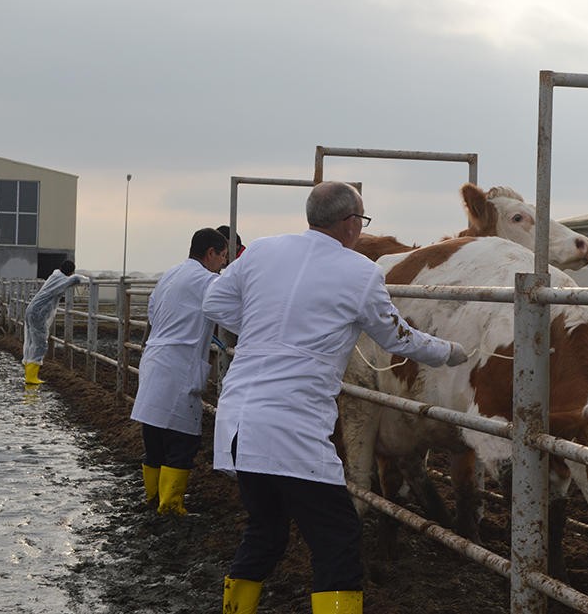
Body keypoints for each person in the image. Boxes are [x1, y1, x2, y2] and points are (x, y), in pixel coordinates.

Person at [202, 181, 468, 614]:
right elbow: (397, 338)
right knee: (339, 538)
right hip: (295, 427)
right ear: (349, 225)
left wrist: (262, 328)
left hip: (239, 419)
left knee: (266, 532)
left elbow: (214, 302)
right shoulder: (360, 272)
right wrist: (451, 352)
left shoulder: (264, 251)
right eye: (360, 222)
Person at [129, 228, 228, 515]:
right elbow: (231, 312)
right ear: (210, 253)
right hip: (177, 366)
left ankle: (153, 498)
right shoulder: (207, 281)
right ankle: (170, 505)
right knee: (182, 441)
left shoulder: (170, 274)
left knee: (155, 437)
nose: (223, 263)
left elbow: (152, 312)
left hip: (155, 360)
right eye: (222, 256)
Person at [22, 260, 87, 385]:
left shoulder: (55, 276)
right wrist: (87, 279)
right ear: (70, 271)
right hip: (38, 313)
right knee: (39, 343)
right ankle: (31, 377)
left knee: (32, 341)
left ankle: (30, 375)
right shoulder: (62, 279)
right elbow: (76, 279)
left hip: (33, 310)